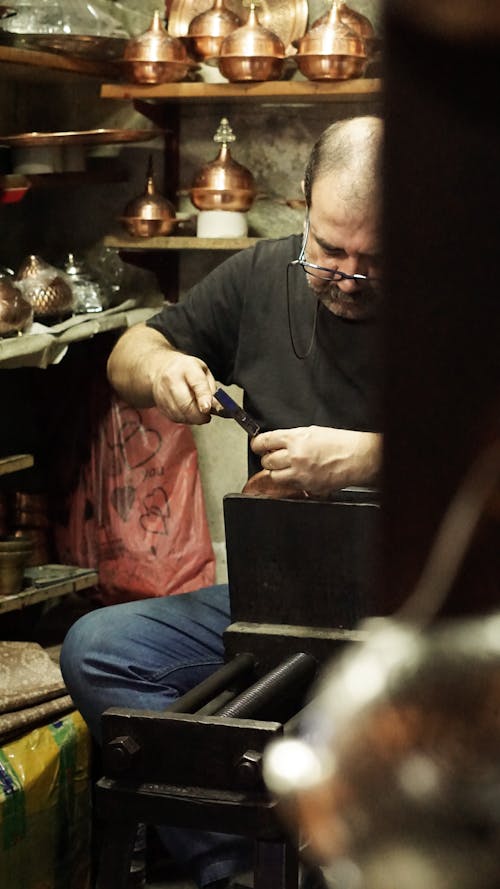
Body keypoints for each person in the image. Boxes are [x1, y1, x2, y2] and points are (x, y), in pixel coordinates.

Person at [60, 115, 383, 889]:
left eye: (374, 262)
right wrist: (164, 370)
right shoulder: (264, 275)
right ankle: (233, 869)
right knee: (99, 648)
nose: (344, 276)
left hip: (414, 610)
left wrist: (367, 456)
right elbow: (132, 351)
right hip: (276, 602)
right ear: (301, 203)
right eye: (330, 250)